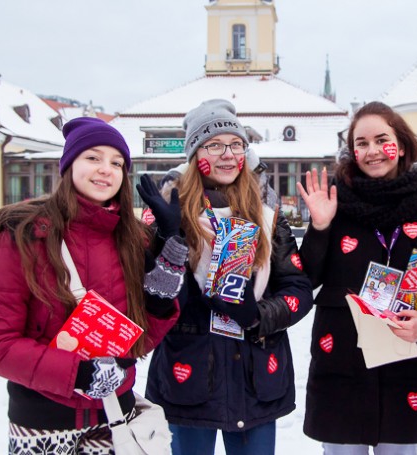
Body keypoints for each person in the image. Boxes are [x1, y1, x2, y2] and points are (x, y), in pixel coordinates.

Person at [0, 117, 186, 453]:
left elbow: (139, 341)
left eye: (116, 163)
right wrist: (78, 374)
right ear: (69, 164)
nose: (106, 169)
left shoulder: (132, 240)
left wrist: (164, 276)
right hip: (43, 424)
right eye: (93, 158)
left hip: (115, 419)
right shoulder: (23, 236)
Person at [144, 99, 314, 455]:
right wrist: (168, 238)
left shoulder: (265, 214)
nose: (227, 154)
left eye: (236, 145)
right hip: (189, 377)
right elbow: (151, 298)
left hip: (256, 378)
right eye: (214, 145)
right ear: (194, 153)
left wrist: (258, 316)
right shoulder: (169, 212)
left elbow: (298, 287)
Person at [297, 101, 417, 454]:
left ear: (402, 145)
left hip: (403, 360)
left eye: (382, 139)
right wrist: (319, 227)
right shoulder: (334, 202)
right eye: (361, 143)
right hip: (342, 362)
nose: (372, 151)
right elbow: (307, 278)